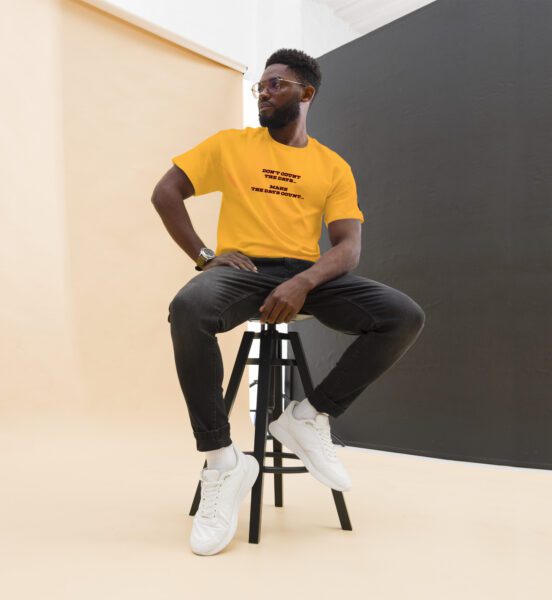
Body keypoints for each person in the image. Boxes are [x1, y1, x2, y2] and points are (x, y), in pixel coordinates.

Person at [151, 48, 426, 556]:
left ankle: (307, 416)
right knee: (188, 309)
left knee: (402, 316)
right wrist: (206, 256)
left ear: (306, 93)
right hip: (244, 271)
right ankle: (222, 462)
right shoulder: (232, 145)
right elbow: (166, 191)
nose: (263, 92)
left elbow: (348, 248)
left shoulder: (331, 166)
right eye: (260, 85)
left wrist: (303, 283)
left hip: (306, 274)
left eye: (275, 84)